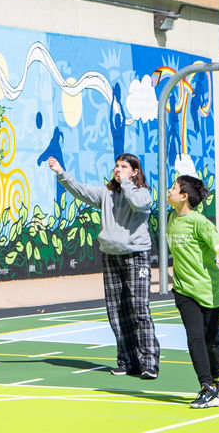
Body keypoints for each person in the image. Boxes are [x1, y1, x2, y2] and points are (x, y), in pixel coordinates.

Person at [47, 153, 159, 379]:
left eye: (124, 166)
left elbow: (138, 204)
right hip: (111, 255)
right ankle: (127, 361)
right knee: (116, 311)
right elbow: (80, 190)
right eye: (117, 166)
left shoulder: (142, 193)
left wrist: (126, 183)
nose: (118, 169)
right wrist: (61, 173)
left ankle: (149, 362)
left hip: (136, 255)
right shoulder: (106, 194)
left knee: (139, 309)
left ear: (134, 171)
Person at [166, 174, 219, 408]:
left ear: (184, 196)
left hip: (207, 289)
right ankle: (208, 387)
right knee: (194, 338)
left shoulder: (200, 222)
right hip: (184, 291)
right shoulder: (171, 218)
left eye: (174, 188)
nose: (169, 190)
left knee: (211, 342)